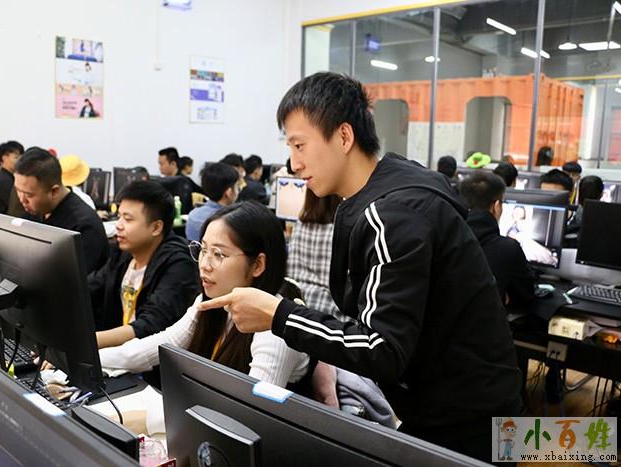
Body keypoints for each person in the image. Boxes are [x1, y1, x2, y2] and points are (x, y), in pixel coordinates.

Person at [197, 72, 521, 462]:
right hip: (454, 400)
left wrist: (279, 315)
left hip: (467, 415)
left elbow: (382, 349)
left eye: (300, 145)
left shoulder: (393, 215)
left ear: (344, 136)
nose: (294, 164)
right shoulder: (381, 196)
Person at [99, 202, 309, 389]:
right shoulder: (211, 299)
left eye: (218, 254)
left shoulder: (274, 322)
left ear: (258, 265)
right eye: (203, 250)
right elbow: (161, 344)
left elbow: (256, 404)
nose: (204, 265)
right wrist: (90, 359)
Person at [90, 181, 200, 348]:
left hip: (150, 357)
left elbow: (151, 325)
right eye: (119, 216)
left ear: (156, 227)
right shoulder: (124, 254)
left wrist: (87, 343)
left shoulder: (179, 264)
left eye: (128, 219)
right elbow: (91, 286)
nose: (118, 225)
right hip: (119, 353)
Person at [14, 147, 109, 274]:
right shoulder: (35, 211)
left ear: (54, 191)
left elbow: (76, 281)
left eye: (28, 195)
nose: (22, 199)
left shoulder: (84, 226)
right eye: (18, 191)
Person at [460, 173, 534, 308]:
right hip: (487, 320)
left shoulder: (448, 238)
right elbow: (526, 296)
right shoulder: (508, 248)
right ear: (497, 206)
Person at [287, 190, 346, 321]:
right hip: (329, 311)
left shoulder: (299, 225)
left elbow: (291, 272)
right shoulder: (341, 230)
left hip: (297, 305)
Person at [186, 163, 239, 242]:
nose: (239, 190)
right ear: (229, 192)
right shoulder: (231, 221)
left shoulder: (193, 214)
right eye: (237, 186)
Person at [0, 140, 25, 216]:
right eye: (16, 157)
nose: (20, 161)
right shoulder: (5, 180)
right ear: (4, 158)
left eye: (21, 158)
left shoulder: (5, 176)